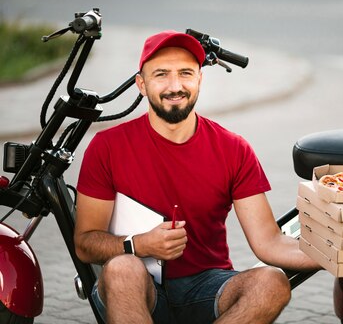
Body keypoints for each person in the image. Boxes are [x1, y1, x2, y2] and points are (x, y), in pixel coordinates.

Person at [73, 30, 320, 324]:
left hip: (208, 287)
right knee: (122, 268)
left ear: (199, 79)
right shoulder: (107, 146)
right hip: (135, 286)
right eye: (161, 74)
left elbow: (269, 242)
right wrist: (139, 245)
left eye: (186, 73)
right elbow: (86, 243)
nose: (175, 86)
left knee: (272, 282)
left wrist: (340, 254)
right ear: (142, 84)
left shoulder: (233, 148)